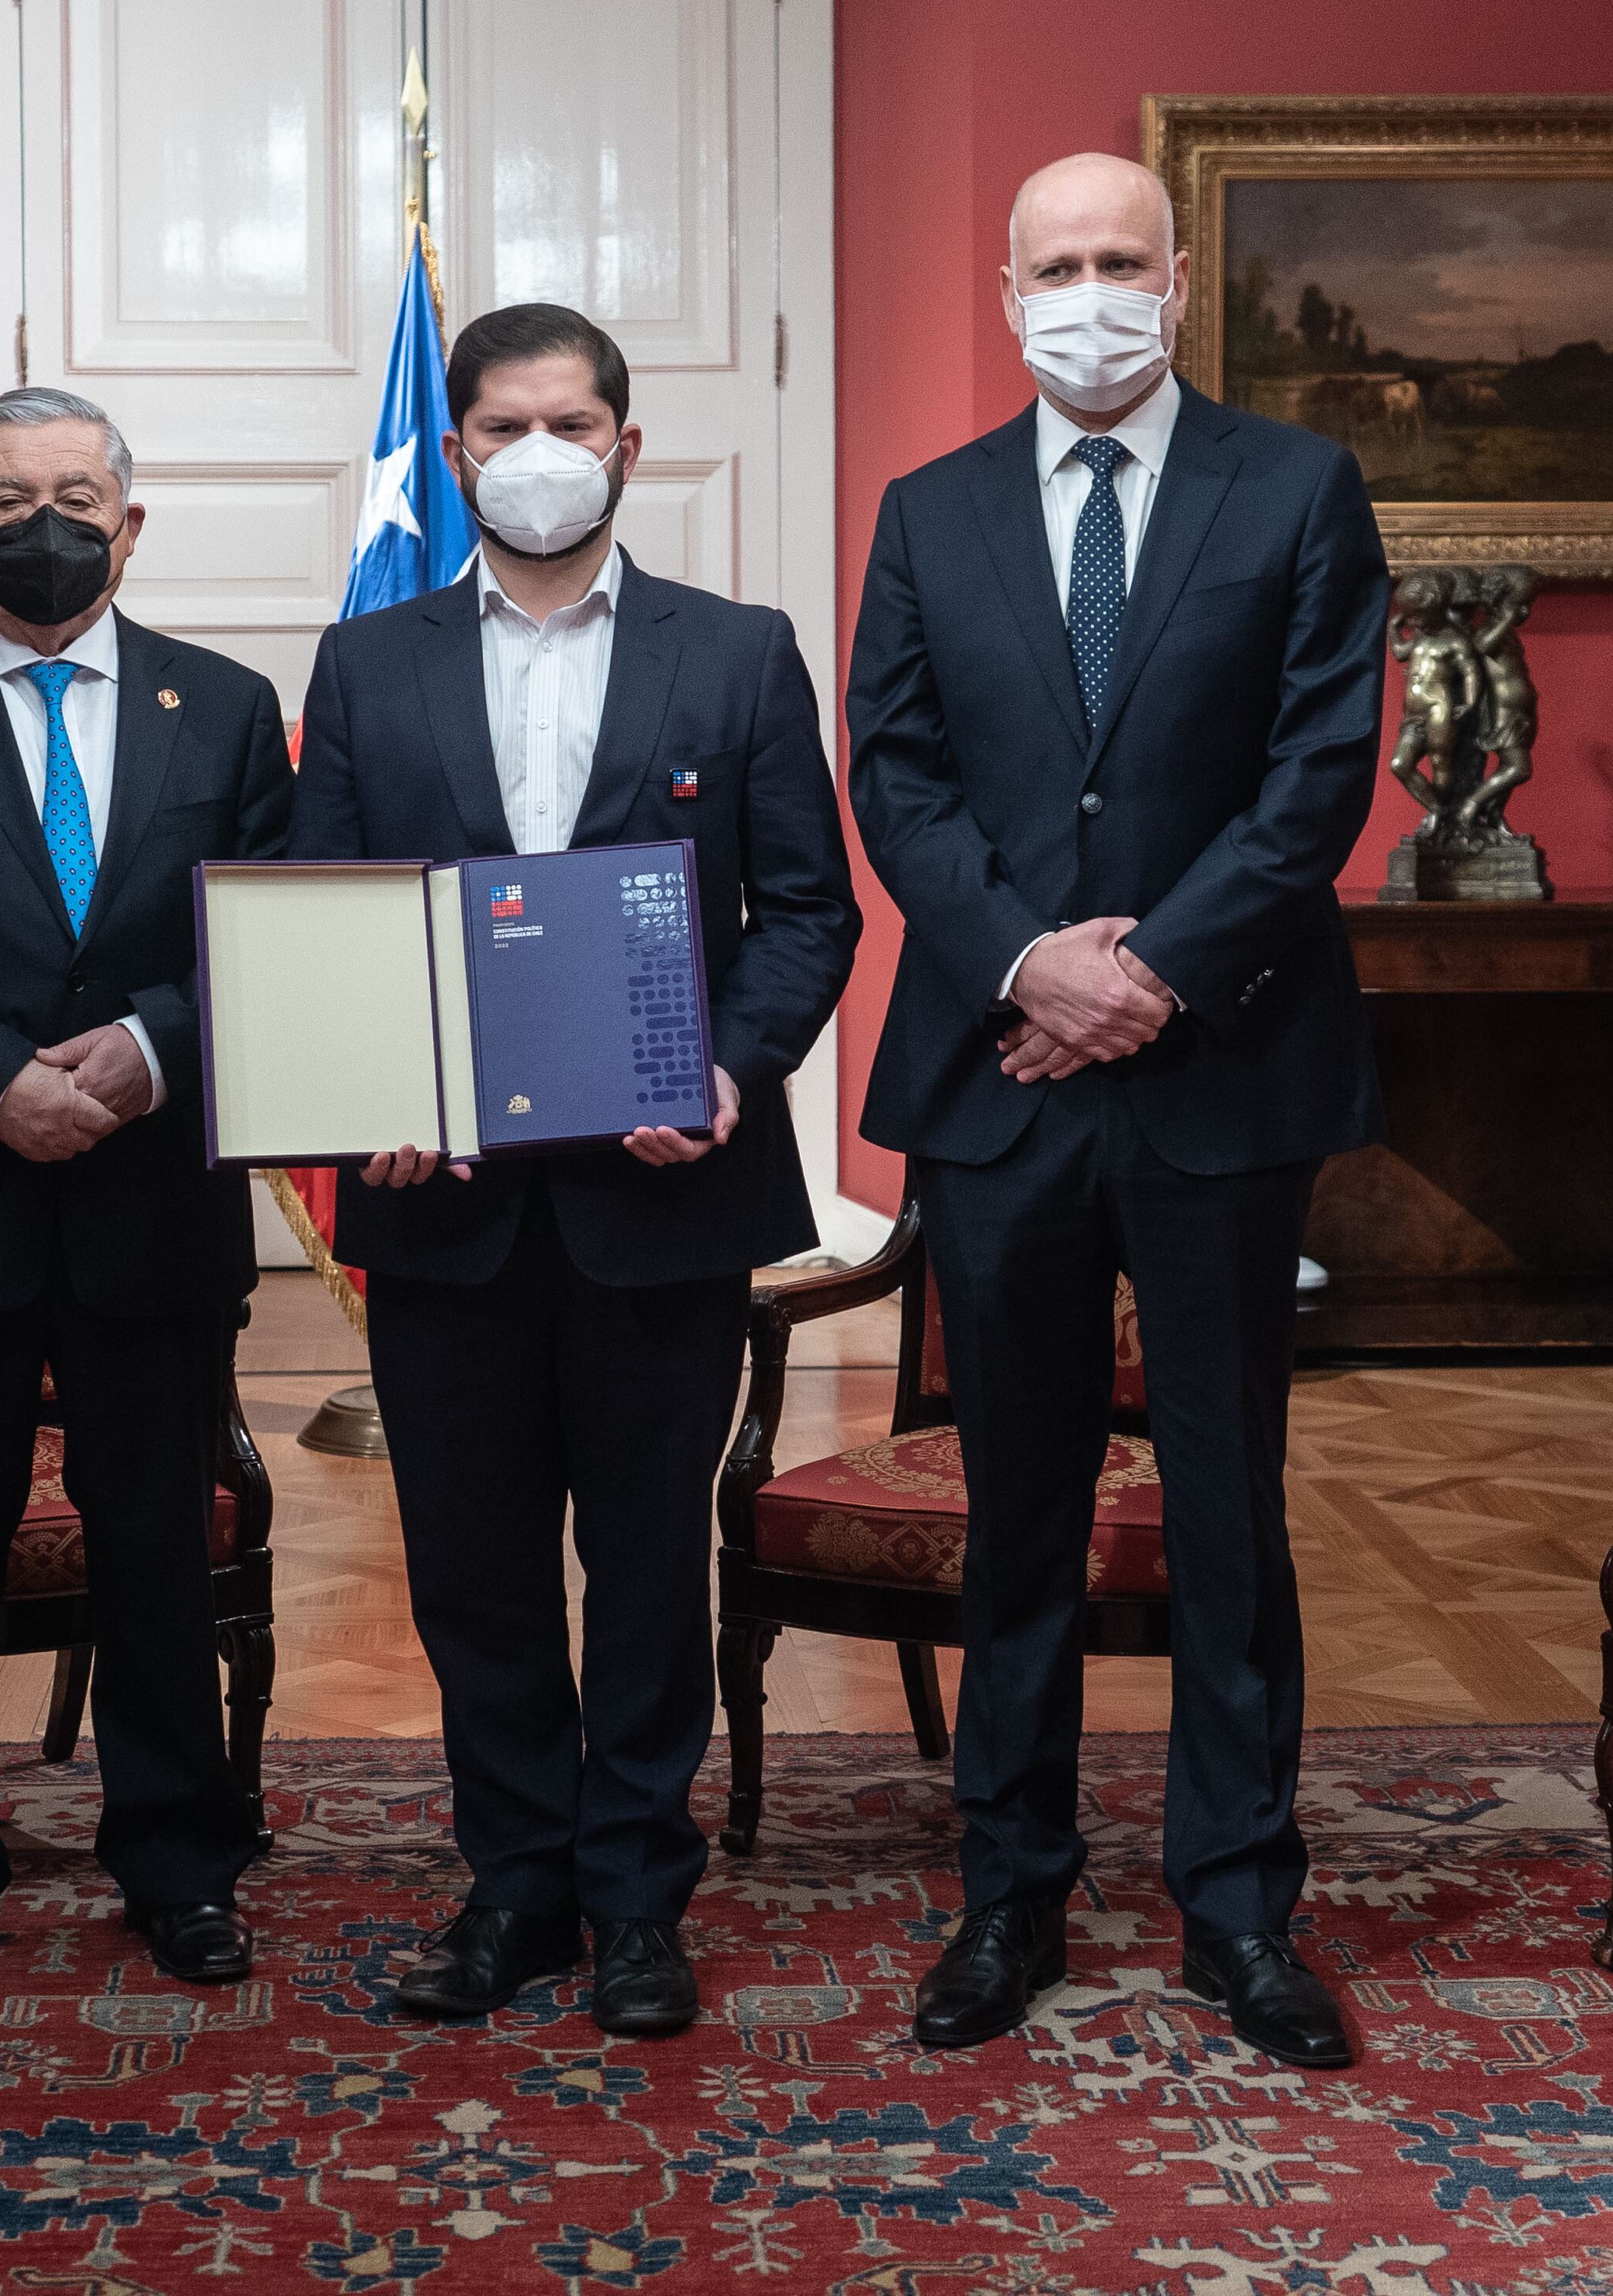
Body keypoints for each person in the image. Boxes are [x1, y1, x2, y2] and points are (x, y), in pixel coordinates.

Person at [845, 154, 1388, 2060]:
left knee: (1229, 1502)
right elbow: (895, 774)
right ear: (1005, 293)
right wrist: (1030, 966)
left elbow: (1319, 774)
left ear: (1177, 285)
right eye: (1054, 264)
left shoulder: (1298, 486)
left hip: (1224, 1070)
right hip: (1003, 1079)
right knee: (1020, 1507)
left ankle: (1239, 1904)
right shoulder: (928, 512)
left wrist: (1143, 972)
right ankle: (1010, 1892)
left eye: (1120, 261)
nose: (1089, 289)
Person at [293, 301, 859, 2038]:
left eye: (572, 421)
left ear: (624, 442)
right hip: (441, 1200)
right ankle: (512, 1886)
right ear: (451, 452)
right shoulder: (368, 659)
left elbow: (809, 910)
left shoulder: (738, 649)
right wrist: (368, 1073)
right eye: (500, 426)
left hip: (661, 1190)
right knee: (467, 1569)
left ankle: (633, 1895)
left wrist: (729, 1061)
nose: (537, 453)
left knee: (640, 1557)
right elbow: (328, 914)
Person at [0, 386, 296, 2006]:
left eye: (76, 492)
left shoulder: (225, 707)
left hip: (150, 1196)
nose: (44, 521)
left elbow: (270, 923)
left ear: (131, 522)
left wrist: (149, 1054)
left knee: (157, 1542)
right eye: (7, 496)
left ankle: (179, 1860)